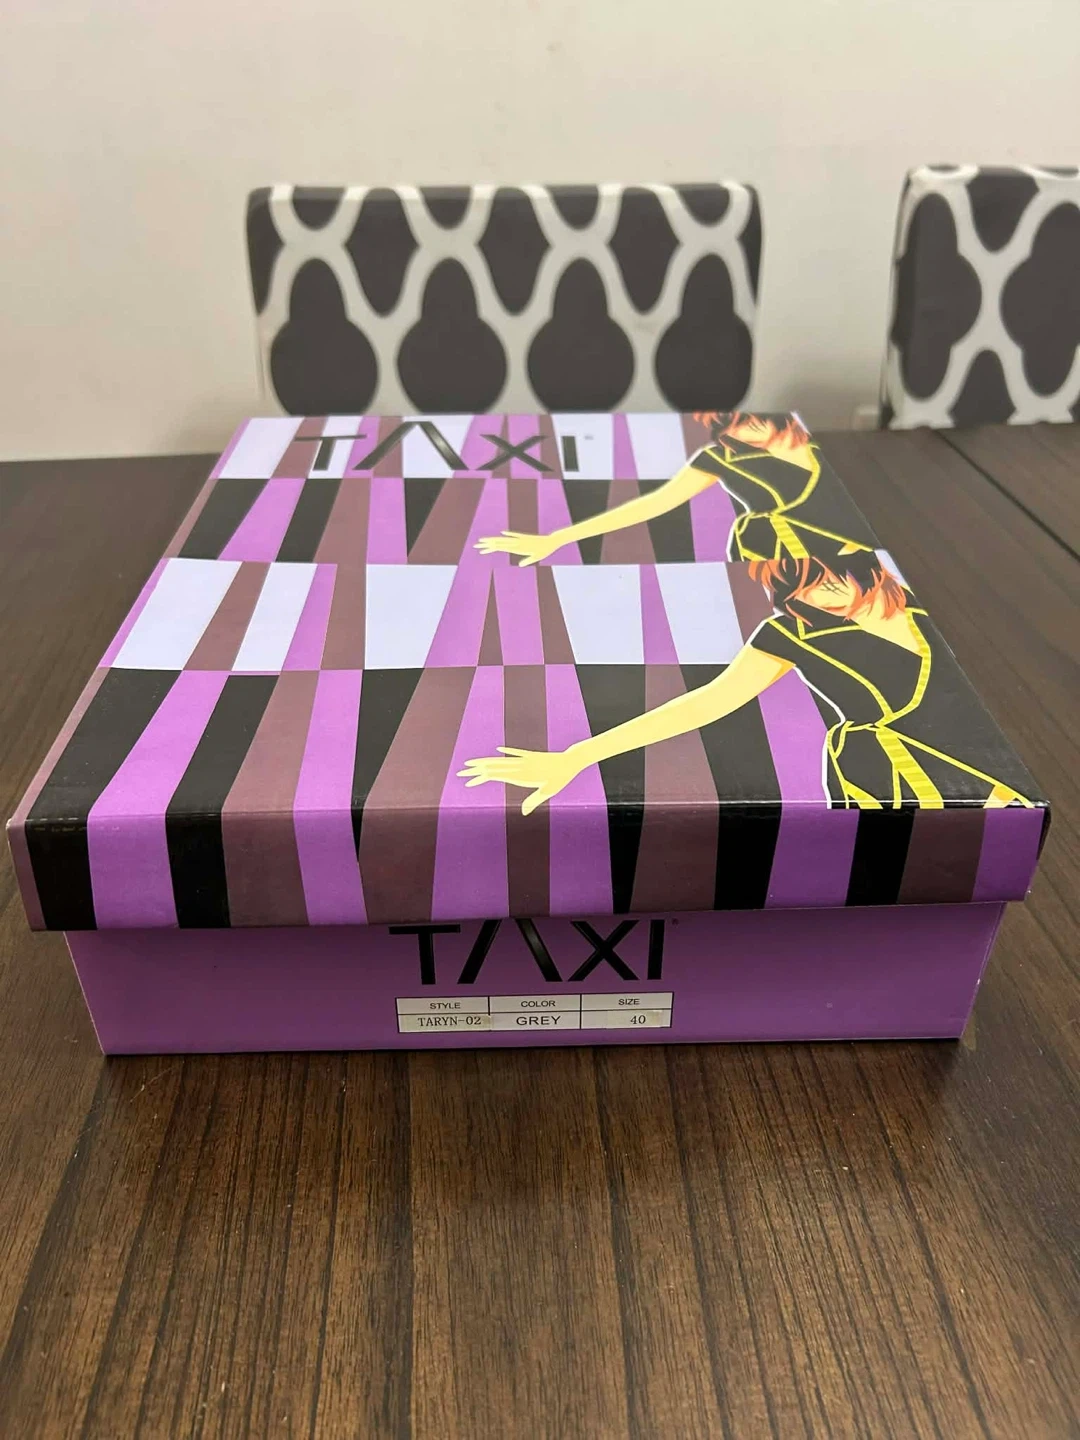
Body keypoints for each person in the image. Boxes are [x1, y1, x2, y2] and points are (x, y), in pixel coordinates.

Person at [461, 413, 1034, 816]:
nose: (821, 590)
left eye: (826, 577)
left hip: (984, 774)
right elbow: (707, 701)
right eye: (801, 587)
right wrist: (577, 758)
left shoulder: (897, 586)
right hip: (897, 776)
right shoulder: (793, 630)